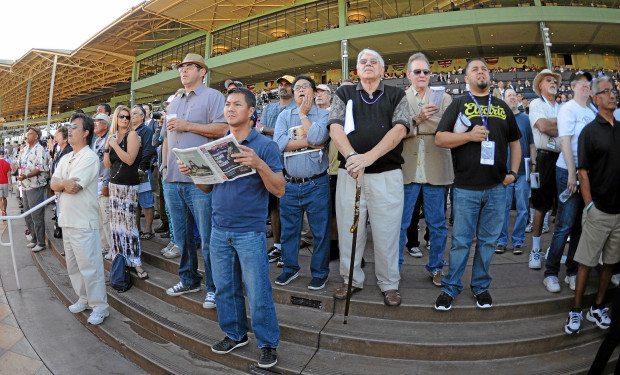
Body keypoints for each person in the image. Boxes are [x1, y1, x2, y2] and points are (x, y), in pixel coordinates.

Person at [179, 87, 284, 369]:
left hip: (249, 231)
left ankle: (267, 343)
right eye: (227, 104)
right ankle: (236, 334)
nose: (230, 108)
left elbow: (280, 189)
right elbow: (205, 188)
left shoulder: (264, 146)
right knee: (225, 288)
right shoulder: (218, 145)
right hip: (219, 228)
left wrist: (258, 163)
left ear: (251, 112)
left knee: (258, 290)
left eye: (237, 104)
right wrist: (193, 173)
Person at [434, 58, 521, 311]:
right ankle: (450, 287)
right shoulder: (459, 103)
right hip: (465, 188)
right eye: (475, 69)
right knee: (461, 241)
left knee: (487, 242)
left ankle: (481, 287)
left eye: (484, 69)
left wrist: (513, 173)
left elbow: (515, 142)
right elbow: (440, 138)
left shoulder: (503, 106)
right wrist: (469, 136)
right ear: (466, 78)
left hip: (496, 187)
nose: (481, 72)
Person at [328, 48, 410, 307]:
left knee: (387, 232)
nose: (368, 64)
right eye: (363, 61)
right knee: (349, 230)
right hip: (350, 173)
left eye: (374, 61)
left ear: (383, 70)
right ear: (357, 70)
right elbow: (335, 127)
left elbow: (400, 129)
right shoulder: (344, 93)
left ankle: (389, 284)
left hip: (386, 174)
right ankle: (351, 279)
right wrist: (354, 157)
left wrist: (369, 157)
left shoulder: (397, 94)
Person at [161, 53, 227, 310]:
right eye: (181, 67)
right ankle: (189, 279)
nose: (184, 70)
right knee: (182, 236)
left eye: (190, 67)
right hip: (173, 178)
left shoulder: (213, 97)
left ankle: (213, 286)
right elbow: (167, 136)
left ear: (202, 72)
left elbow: (222, 130)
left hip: (201, 177)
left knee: (209, 238)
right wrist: (166, 167)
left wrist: (188, 125)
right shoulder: (174, 101)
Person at [564, 76, 620, 335]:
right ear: (595, 99)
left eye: (613, 90)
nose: (612, 95)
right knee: (586, 263)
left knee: (610, 262)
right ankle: (576, 310)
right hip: (598, 210)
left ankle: (597, 307)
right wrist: (589, 206)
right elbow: (582, 172)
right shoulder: (589, 132)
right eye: (606, 92)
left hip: (619, 211)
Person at [399, 52, 453, 287]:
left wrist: (414, 121)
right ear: (409, 74)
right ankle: (394, 269)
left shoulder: (445, 97)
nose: (422, 75)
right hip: (407, 171)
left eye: (426, 71)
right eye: (417, 71)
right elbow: (396, 130)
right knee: (400, 224)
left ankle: (436, 268)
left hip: (436, 169)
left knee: (438, 224)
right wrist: (419, 120)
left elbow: (445, 127)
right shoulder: (399, 98)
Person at [51, 112, 109, 325]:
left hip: (84, 221)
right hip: (67, 220)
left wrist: (63, 183)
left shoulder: (90, 158)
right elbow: (54, 183)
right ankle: (83, 298)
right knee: (74, 266)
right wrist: (63, 183)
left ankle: (100, 307)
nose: (70, 130)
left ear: (86, 132)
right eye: (69, 126)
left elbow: (74, 187)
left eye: (74, 127)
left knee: (90, 266)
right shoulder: (66, 157)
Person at [274, 75, 331, 290]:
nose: (300, 90)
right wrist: (311, 142)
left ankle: (319, 272)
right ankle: (290, 268)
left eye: (305, 87)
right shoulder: (283, 116)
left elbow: (319, 139)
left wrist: (303, 115)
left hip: (317, 184)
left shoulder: (325, 114)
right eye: (297, 87)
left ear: (315, 93)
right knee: (289, 231)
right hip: (290, 183)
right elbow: (279, 144)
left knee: (320, 231)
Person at [543, 71, 596, 293]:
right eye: (581, 83)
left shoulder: (591, 110)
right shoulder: (568, 109)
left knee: (579, 227)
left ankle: (572, 271)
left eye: (589, 83)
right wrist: (572, 174)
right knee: (564, 225)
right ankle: (551, 273)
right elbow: (564, 141)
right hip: (569, 172)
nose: (586, 86)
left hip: (588, 174)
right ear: (573, 86)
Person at [103, 105, 148, 280]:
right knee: (116, 225)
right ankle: (119, 257)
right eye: (121, 116)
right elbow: (107, 165)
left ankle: (135, 261)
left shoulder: (133, 135)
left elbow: (129, 160)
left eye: (128, 117)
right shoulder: (113, 136)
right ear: (116, 118)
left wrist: (114, 144)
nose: (125, 119)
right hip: (114, 185)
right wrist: (107, 147)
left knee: (129, 225)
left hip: (129, 186)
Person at [257, 75, 296, 262]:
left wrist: (268, 130)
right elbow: (260, 131)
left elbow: (288, 135)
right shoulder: (269, 107)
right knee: (273, 206)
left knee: (288, 207)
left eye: (288, 85)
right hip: (269, 162)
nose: (283, 87)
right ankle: (278, 245)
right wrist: (271, 131)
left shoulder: (296, 109)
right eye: (281, 84)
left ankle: (288, 249)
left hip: (289, 162)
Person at [528, 69, 562, 269]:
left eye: (554, 80)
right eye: (548, 79)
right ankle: (535, 250)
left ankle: (552, 251)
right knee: (541, 205)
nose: (552, 82)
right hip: (545, 159)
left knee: (562, 207)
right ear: (540, 85)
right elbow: (542, 126)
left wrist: (555, 125)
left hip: (563, 158)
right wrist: (563, 125)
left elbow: (571, 129)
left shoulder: (563, 106)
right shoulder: (535, 103)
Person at [496, 89, 535, 254]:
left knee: (523, 208)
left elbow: (532, 144)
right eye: (508, 95)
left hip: (521, 173)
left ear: (518, 99)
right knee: (502, 209)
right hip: (504, 173)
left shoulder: (526, 120)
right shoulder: (499, 120)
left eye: (514, 95)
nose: (512, 97)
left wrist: (534, 164)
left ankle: (518, 242)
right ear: (504, 100)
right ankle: (501, 241)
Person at [18, 127, 49, 252]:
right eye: (27, 133)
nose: (27, 135)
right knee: (27, 215)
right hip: (25, 185)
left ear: (36, 136)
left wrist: (26, 175)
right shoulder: (26, 149)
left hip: (35, 186)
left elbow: (39, 168)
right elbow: (22, 164)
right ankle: (34, 239)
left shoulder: (40, 149)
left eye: (30, 134)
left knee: (37, 215)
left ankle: (41, 242)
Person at [131, 105, 156, 240]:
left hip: (143, 170)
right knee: (135, 202)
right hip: (130, 171)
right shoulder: (129, 131)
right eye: (131, 113)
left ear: (142, 116)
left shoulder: (146, 131)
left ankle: (148, 229)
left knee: (146, 201)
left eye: (135, 113)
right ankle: (137, 228)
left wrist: (142, 167)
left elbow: (148, 150)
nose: (132, 115)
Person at [92, 113, 112, 257]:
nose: (95, 125)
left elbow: (108, 165)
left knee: (107, 218)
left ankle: (112, 247)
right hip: (96, 183)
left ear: (106, 124)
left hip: (104, 182)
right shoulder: (96, 140)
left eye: (98, 122)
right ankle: (104, 245)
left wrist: (106, 183)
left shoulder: (109, 139)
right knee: (99, 218)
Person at [0, 151, 12, 216]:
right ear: (3, 155)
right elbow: (9, 175)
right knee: (4, 198)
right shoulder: (7, 163)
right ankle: (5, 210)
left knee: (0, 199)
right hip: (5, 182)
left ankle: (2, 212)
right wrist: (11, 184)